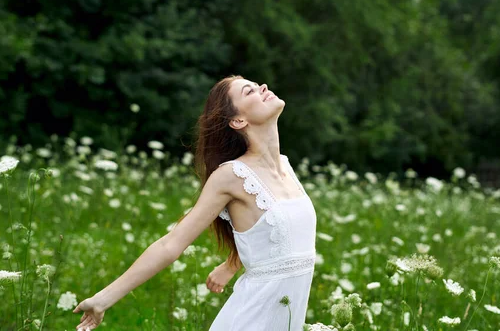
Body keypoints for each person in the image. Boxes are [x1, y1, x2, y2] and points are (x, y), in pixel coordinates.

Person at [73, 75, 317, 330]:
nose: (263, 87)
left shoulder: (286, 167)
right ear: (238, 120)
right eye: (250, 91)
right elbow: (170, 244)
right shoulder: (231, 176)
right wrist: (103, 299)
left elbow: (277, 237)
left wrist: (233, 263)